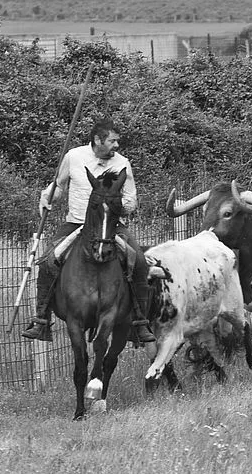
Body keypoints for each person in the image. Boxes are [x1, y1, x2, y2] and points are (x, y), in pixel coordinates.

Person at [21, 119, 156, 343]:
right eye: (112, 141)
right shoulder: (73, 157)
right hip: (75, 223)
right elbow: (59, 185)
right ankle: (41, 320)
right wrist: (46, 198)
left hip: (112, 226)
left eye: (117, 141)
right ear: (97, 140)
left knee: (139, 262)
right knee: (47, 261)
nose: (116, 146)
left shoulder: (123, 163)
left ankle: (139, 323)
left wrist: (115, 207)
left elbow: (132, 199)